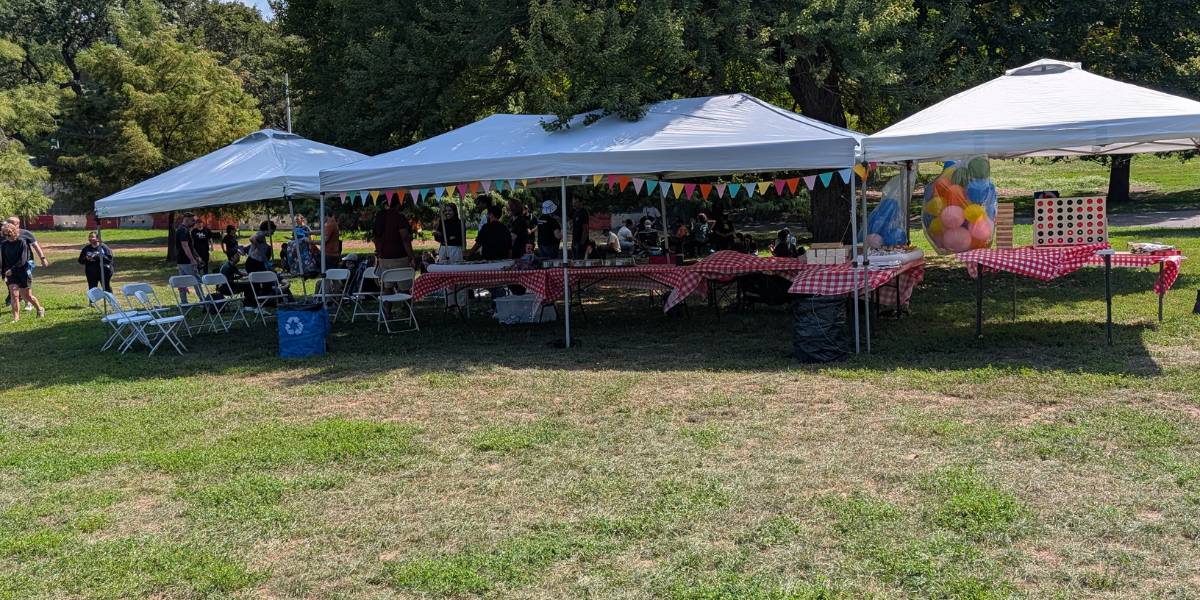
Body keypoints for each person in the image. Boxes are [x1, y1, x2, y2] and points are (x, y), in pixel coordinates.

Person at [1, 222, 43, 320]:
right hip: (11, 274)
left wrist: (12, 269)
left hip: (23, 272)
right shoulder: (4, 244)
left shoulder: (22, 242)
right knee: (14, 295)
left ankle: (39, 309)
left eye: (9, 234)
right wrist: (3, 273)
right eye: (5, 235)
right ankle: (16, 318)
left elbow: (22, 260)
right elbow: (3, 260)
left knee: (27, 296)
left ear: (14, 232)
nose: (7, 237)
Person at [174, 212, 202, 302]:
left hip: (181, 261)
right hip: (186, 261)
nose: (194, 223)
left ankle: (184, 302)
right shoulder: (183, 230)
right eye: (192, 220)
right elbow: (185, 246)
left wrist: (196, 256)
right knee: (196, 280)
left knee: (182, 283)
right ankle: (203, 301)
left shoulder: (181, 229)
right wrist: (192, 259)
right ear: (187, 219)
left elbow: (190, 246)